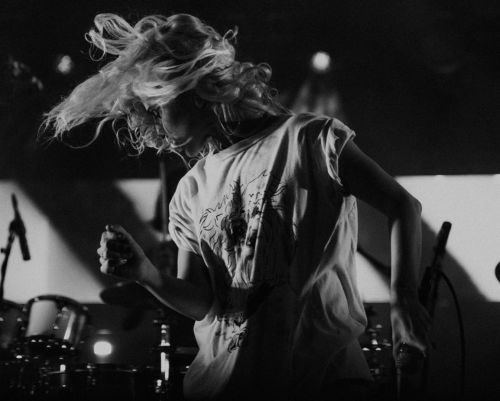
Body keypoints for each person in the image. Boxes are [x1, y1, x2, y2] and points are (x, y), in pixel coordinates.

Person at [44, 13, 430, 401]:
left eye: (157, 109)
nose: (153, 127)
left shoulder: (310, 139)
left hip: (321, 380)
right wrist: (147, 275)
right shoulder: (191, 188)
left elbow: (402, 205)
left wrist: (405, 302)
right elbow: (206, 303)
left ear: (190, 90)